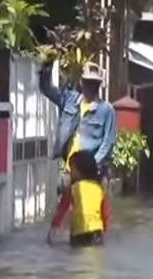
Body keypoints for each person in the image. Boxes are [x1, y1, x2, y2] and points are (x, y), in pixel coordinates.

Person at [39, 61, 117, 189]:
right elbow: (47, 90)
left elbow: (108, 142)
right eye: (88, 82)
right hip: (69, 171)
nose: (91, 86)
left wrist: (91, 166)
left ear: (99, 85)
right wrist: (47, 66)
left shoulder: (107, 110)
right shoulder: (70, 100)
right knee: (66, 208)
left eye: (94, 83)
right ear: (82, 82)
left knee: (92, 208)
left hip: (94, 174)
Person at [48, 151, 111, 247]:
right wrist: (106, 230)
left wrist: (54, 229)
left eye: (72, 169)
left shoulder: (73, 189)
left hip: (79, 234)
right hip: (97, 233)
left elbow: (62, 211)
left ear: (81, 171)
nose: (70, 173)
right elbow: (106, 214)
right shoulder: (100, 189)